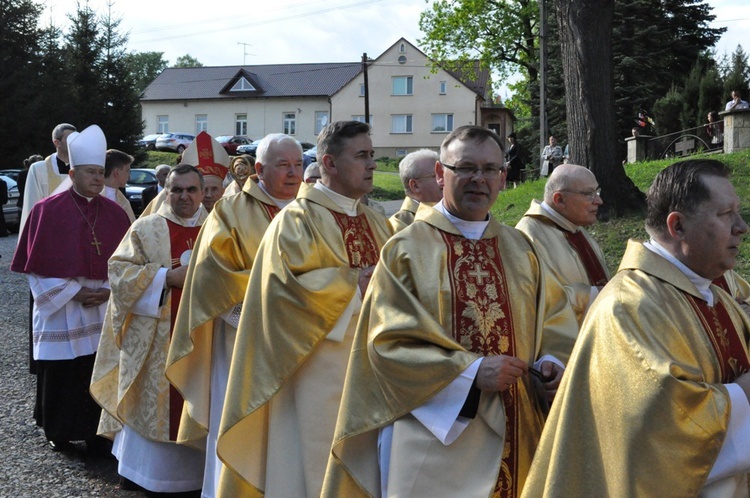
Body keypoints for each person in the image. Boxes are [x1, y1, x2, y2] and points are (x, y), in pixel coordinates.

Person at [322, 125, 578, 498]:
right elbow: (386, 343)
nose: (479, 179)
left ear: (503, 177)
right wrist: (470, 373)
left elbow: (555, 317)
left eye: (490, 169)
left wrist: (553, 361)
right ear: (441, 174)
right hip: (434, 437)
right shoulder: (405, 250)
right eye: (465, 168)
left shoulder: (521, 249)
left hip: (520, 424)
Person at [522, 159, 750, 497]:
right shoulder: (630, 306)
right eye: (724, 214)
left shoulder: (710, 294)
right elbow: (658, 427)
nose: (741, 226)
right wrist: (743, 395)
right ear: (678, 226)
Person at [216, 121, 392, 497]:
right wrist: (353, 285)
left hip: (377, 371)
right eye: (362, 156)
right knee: (313, 470)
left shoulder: (377, 221)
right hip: (315, 372)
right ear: (329, 162)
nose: (372, 165)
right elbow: (282, 295)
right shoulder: (296, 220)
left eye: (372, 155)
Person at [166, 134, 304, 498]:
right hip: (245, 341)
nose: (293, 174)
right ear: (259, 169)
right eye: (283, 165)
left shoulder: (314, 211)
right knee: (245, 426)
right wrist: (276, 306)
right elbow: (213, 278)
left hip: (308, 342)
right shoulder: (231, 212)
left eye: (298, 165)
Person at [10, 125, 130, 452]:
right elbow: (35, 268)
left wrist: (108, 292)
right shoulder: (46, 211)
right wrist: (74, 293)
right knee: (63, 372)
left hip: (102, 304)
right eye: (90, 172)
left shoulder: (116, 214)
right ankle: (59, 431)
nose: (97, 178)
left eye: (101, 172)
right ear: (73, 173)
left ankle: (97, 433)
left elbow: (129, 263)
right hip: (63, 306)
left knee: (97, 368)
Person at [90, 165, 209, 494]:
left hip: (204, 339)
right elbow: (119, 274)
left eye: (191, 190)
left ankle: (200, 479)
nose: (184, 196)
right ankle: (145, 475)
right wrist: (166, 279)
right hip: (155, 342)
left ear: (202, 193)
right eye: (176, 190)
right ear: (165, 191)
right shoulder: (145, 228)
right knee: (154, 406)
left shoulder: (219, 229)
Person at [515, 164, 609, 326]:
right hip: (559, 347)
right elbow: (532, 300)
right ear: (559, 199)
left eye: (597, 192)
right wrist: (595, 295)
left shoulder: (576, 228)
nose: (599, 201)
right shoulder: (527, 237)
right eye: (589, 194)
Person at [20, 123, 77, 234]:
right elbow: (32, 204)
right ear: (57, 142)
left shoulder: (84, 168)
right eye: (70, 138)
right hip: (49, 230)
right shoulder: (39, 169)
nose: (74, 142)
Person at [389, 149, 442, 233]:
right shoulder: (400, 225)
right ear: (415, 185)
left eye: (443, 173)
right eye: (436, 175)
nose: (443, 180)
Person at [102, 149, 135, 222]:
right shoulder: (94, 198)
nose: (129, 176)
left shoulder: (123, 200)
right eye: (127, 171)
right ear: (116, 172)